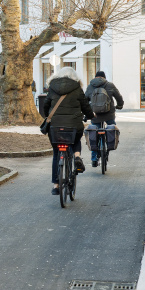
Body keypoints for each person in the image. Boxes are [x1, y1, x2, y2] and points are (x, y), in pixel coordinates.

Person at [42, 67, 94, 195]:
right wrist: (91, 116)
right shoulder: (77, 88)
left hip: (55, 126)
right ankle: (77, 157)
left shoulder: (52, 87)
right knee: (76, 138)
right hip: (73, 124)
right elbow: (85, 105)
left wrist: (47, 115)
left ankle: (56, 185)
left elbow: (46, 105)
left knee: (56, 153)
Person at [85, 71, 124, 168]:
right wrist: (119, 105)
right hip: (109, 114)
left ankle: (94, 159)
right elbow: (119, 97)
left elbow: (84, 101)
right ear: (104, 77)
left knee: (94, 134)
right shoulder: (110, 85)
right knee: (112, 129)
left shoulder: (90, 86)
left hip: (95, 115)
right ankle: (110, 146)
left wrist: (87, 113)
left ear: (95, 77)